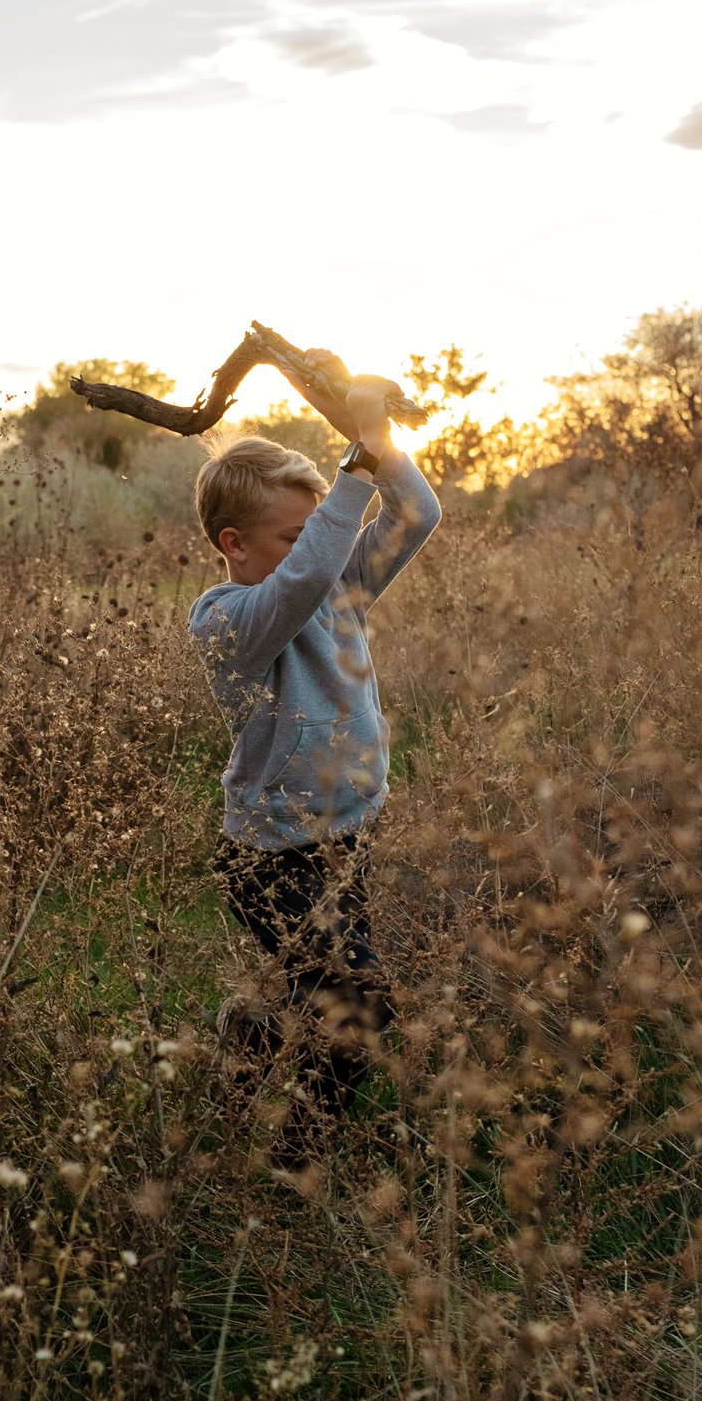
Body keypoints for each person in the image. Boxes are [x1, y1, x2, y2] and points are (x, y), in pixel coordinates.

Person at [188, 365, 442, 1180]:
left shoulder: (339, 591)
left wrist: (379, 441)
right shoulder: (227, 621)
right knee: (360, 1008)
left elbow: (418, 513)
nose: (315, 550)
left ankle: (251, 1036)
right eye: (291, 536)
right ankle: (292, 1169)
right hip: (270, 856)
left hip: (345, 838)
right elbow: (298, 582)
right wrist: (354, 462)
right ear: (233, 544)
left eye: (313, 532)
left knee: (322, 1000)